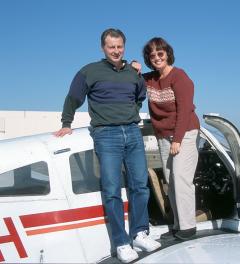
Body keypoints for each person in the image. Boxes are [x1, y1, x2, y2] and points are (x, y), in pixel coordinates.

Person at [54, 28, 160, 263]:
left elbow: (139, 96)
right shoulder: (89, 71)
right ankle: (122, 243)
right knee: (112, 191)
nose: (115, 50)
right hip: (106, 134)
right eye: (111, 46)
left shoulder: (133, 74)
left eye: (119, 46)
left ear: (124, 46)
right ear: (103, 47)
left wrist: (129, 111)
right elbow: (73, 97)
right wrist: (66, 123)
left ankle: (140, 233)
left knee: (140, 186)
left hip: (132, 131)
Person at [134, 37, 200, 240]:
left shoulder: (180, 77)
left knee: (181, 180)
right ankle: (178, 224)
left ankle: (189, 227)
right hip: (163, 136)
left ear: (167, 54)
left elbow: (185, 110)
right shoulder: (150, 79)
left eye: (160, 53)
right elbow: (133, 77)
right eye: (152, 55)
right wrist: (132, 66)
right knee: (171, 180)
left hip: (185, 133)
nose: (156, 57)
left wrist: (178, 140)